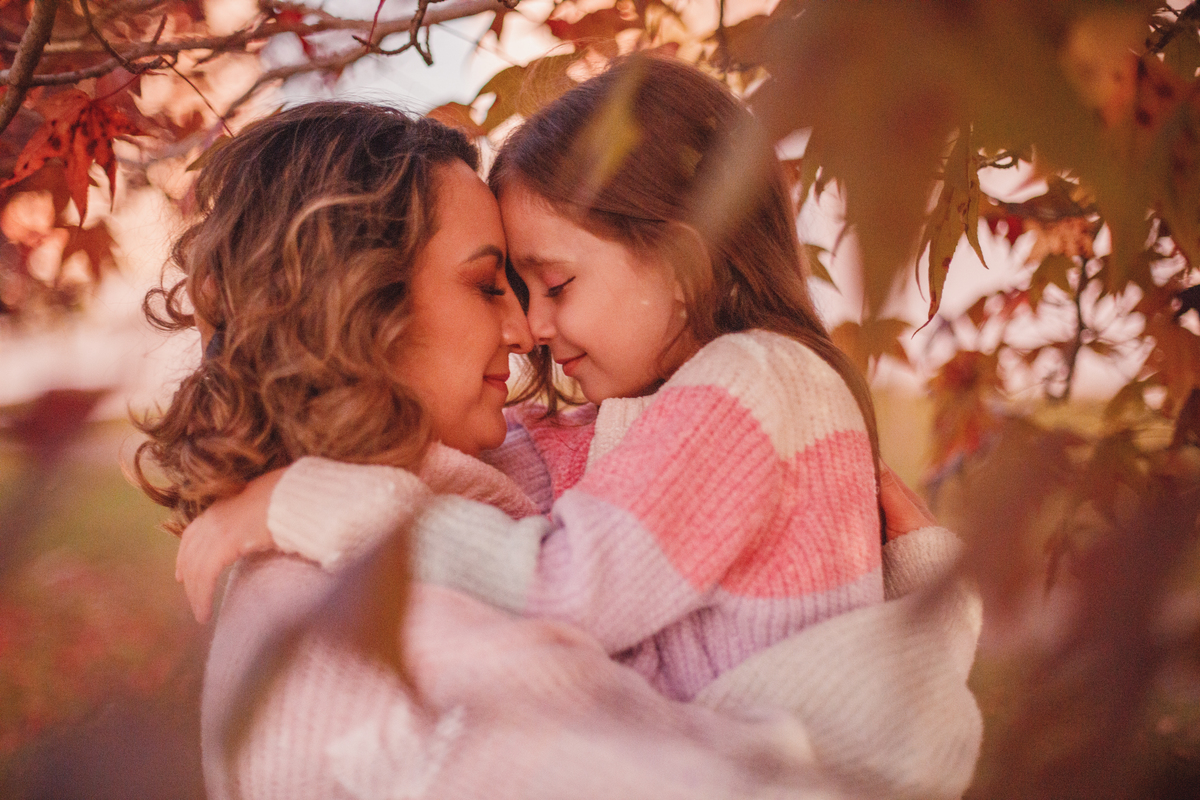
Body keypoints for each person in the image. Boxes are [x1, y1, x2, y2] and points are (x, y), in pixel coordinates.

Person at [137, 99, 979, 800]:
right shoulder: (330, 633)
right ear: (355, 302)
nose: (526, 330)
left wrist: (911, 600)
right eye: (487, 284)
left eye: (548, 286)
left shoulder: (525, 464)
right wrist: (925, 659)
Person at [179, 55, 888, 704]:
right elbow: (513, 488)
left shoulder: (751, 383)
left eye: (554, 284)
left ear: (681, 268)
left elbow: (564, 585)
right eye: (502, 287)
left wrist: (312, 498)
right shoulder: (684, 407)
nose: (530, 330)